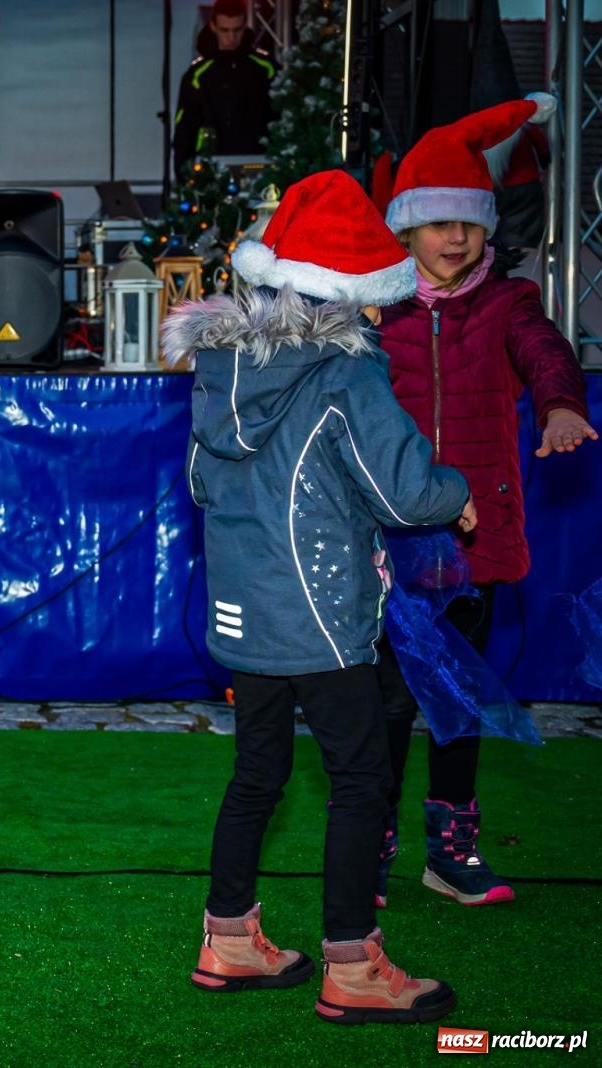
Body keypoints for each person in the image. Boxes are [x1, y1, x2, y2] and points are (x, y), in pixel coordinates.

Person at [163, 169, 471, 1025]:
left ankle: (228, 938)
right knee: (361, 775)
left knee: (258, 770)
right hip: (322, 612)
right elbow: (404, 490)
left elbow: (200, 483)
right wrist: (458, 494)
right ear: (358, 294)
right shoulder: (347, 375)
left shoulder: (218, 370)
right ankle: (351, 962)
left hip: (243, 606)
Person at [374, 95, 595, 908]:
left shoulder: (509, 302)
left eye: (467, 222)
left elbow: (546, 356)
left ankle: (451, 848)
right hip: (389, 540)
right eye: (437, 223)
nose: (455, 237)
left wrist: (563, 404)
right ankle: (371, 845)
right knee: (388, 700)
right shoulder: (376, 312)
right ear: (405, 230)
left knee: (457, 695)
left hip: (473, 540)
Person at [173, 0, 279, 177]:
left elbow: (280, 116)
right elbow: (184, 128)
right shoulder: (198, 75)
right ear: (213, 26)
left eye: (237, 30)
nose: (231, 37)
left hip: (259, 161)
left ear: (245, 26)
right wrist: (183, 174)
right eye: (225, 30)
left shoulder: (265, 69)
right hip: (211, 164)